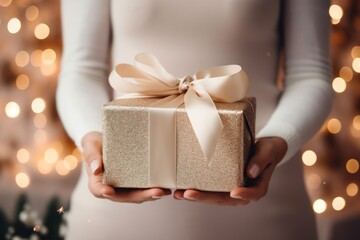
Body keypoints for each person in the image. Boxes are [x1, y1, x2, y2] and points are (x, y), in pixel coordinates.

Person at [56, 0, 334, 239]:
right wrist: (92, 135)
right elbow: (81, 70)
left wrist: (280, 138)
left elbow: (310, 74)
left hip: (267, 214)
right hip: (113, 220)